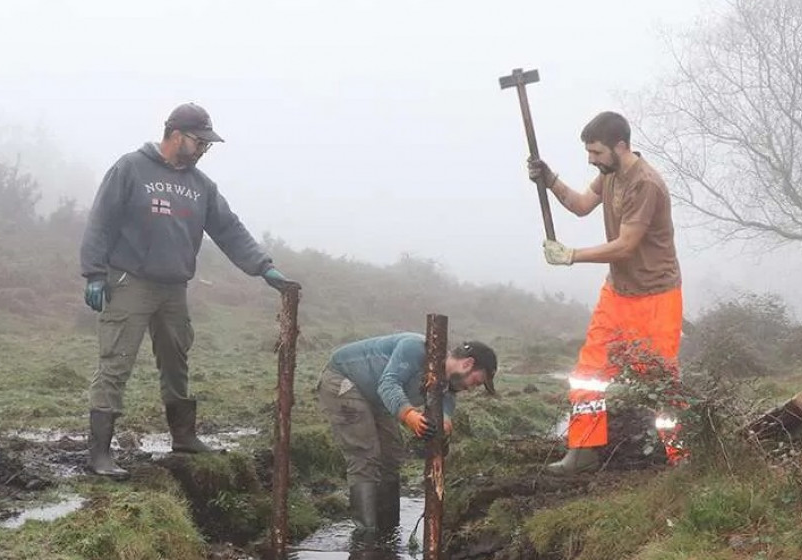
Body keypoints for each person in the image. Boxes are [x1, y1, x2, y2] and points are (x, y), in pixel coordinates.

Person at [79, 102, 300, 479]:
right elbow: (102, 219)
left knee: (176, 361)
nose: (203, 150)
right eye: (200, 142)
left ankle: (184, 437)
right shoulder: (130, 168)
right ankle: (99, 453)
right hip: (129, 280)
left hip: (174, 287)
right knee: (116, 362)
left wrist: (265, 267)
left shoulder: (201, 186)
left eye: (207, 145)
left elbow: (229, 229)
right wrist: (94, 274)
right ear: (176, 134)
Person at [527, 111, 684, 474]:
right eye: (589, 153)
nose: (591, 160)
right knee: (588, 372)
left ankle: (680, 455)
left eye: (596, 152)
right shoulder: (609, 174)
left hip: (657, 295)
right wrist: (550, 180)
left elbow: (626, 246)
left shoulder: (645, 184)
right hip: (618, 293)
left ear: (621, 146)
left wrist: (571, 256)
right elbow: (582, 205)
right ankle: (583, 450)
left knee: (661, 379)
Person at [318, 333, 497, 540]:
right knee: (365, 455)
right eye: (476, 381)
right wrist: (409, 415)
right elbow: (388, 384)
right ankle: (366, 537)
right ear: (468, 364)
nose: (471, 388)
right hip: (344, 380)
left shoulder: (445, 381)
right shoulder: (416, 348)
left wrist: (445, 422)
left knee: (391, 456)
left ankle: (388, 531)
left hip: (376, 398)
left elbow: (447, 399)